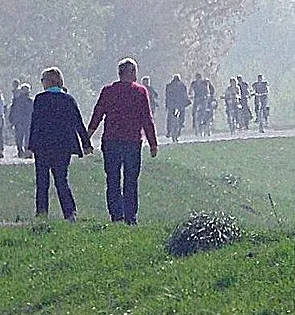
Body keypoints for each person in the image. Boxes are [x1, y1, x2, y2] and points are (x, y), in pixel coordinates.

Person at [87, 58, 159, 224]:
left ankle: (116, 215)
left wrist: (87, 137)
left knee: (112, 180)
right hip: (132, 142)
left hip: (111, 141)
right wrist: (153, 143)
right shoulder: (140, 92)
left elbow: (97, 115)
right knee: (130, 181)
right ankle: (130, 216)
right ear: (132, 72)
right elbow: (146, 119)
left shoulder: (108, 91)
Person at [26, 67, 90, 219]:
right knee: (61, 180)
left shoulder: (40, 99)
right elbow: (78, 123)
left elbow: (35, 124)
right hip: (63, 147)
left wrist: (30, 146)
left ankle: (42, 213)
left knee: (42, 182)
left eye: (43, 80)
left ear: (49, 81)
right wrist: (86, 144)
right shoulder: (68, 99)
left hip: (43, 146)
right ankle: (70, 213)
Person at [9, 81, 34, 154]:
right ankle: (21, 150)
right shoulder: (17, 100)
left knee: (25, 137)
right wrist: (12, 119)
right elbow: (13, 110)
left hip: (26, 121)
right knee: (20, 136)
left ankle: (25, 150)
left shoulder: (30, 101)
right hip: (21, 121)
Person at [165, 74, 189, 142]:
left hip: (172, 105)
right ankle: (178, 128)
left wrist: (167, 105)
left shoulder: (169, 86)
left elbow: (167, 96)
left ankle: (169, 131)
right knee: (181, 118)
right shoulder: (182, 85)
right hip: (180, 105)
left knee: (170, 118)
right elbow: (185, 95)